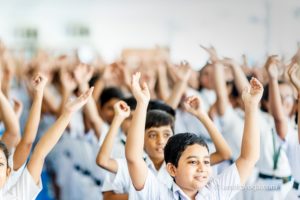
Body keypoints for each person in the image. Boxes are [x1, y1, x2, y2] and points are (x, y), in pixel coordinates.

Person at [125, 72, 263, 199]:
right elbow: (134, 158)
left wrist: (251, 106)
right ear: (172, 169)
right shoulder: (159, 194)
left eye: (206, 162)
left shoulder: (215, 192)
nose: (202, 168)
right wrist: (142, 104)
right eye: (193, 162)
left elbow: (248, 158)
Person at [0, 86, 93, 199]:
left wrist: (67, 114)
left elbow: (40, 152)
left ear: (8, 172)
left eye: (0, 164)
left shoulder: (17, 195)